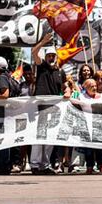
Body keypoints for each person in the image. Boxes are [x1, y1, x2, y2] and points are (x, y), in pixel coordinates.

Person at [29, 33, 65, 175]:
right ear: (46, 57)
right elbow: (33, 52)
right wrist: (43, 41)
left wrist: (67, 90)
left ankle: (44, 165)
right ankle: (35, 164)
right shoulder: (42, 66)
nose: (51, 58)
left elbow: (64, 87)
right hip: (40, 108)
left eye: (53, 56)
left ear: (56, 57)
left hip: (54, 108)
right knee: (38, 136)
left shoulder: (59, 72)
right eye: (49, 55)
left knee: (50, 137)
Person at [79, 78, 102, 174]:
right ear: (86, 87)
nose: (94, 88)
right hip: (86, 125)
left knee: (100, 147)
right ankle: (89, 166)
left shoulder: (101, 97)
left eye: (95, 86)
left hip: (98, 125)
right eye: (92, 86)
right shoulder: (81, 97)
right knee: (88, 148)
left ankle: (101, 165)